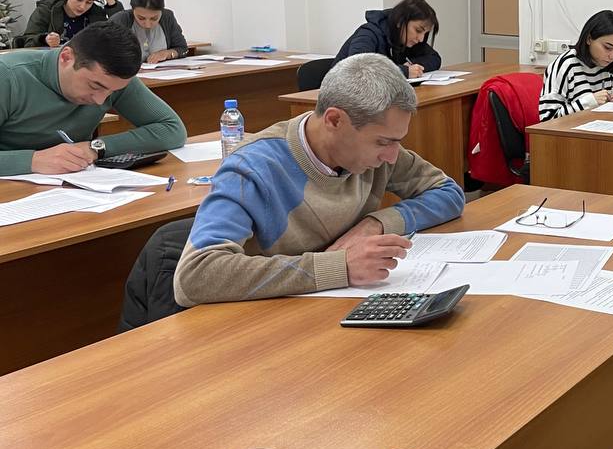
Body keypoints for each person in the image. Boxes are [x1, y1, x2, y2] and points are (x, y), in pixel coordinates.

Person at [172, 53, 465, 305]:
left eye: (397, 141)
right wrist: (338, 267)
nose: (391, 156)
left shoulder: (377, 153)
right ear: (335, 120)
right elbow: (194, 276)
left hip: (331, 307)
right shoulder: (253, 167)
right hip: (267, 324)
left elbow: (448, 193)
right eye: (382, 142)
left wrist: (375, 224)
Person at [0, 21, 187, 176]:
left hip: (72, 186)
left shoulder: (113, 81)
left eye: (111, 92)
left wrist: (96, 148)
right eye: (95, 86)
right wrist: (32, 161)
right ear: (66, 58)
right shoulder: (8, 75)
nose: (100, 101)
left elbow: (172, 129)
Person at [538, 10, 613, 122]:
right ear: (589, 39)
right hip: (570, 132)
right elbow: (547, 119)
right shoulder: (565, 65)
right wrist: (589, 102)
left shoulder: (605, 64)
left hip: (598, 128)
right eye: (608, 48)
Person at [334, 0, 441, 78]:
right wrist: (403, 71)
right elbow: (358, 68)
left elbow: (434, 58)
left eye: (425, 33)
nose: (421, 39)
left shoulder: (408, 40)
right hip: (342, 95)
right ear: (400, 21)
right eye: (418, 30)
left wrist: (412, 66)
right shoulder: (369, 33)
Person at [17, 0, 122, 48]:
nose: (82, 6)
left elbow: (119, 34)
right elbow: (27, 41)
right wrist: (44, 39)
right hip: (52, 61)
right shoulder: (47, 10)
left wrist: (111, 3)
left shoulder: (96, 13)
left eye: (89, 2)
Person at [108, 0, 189, 63]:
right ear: (133, 10)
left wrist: (167, 54)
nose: (148, 25)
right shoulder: (120, 20)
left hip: (162, 71)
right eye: (141, 18)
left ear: (161, 11)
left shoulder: (167, 17)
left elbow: (182, 49)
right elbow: (105, 55)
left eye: (154, 18)